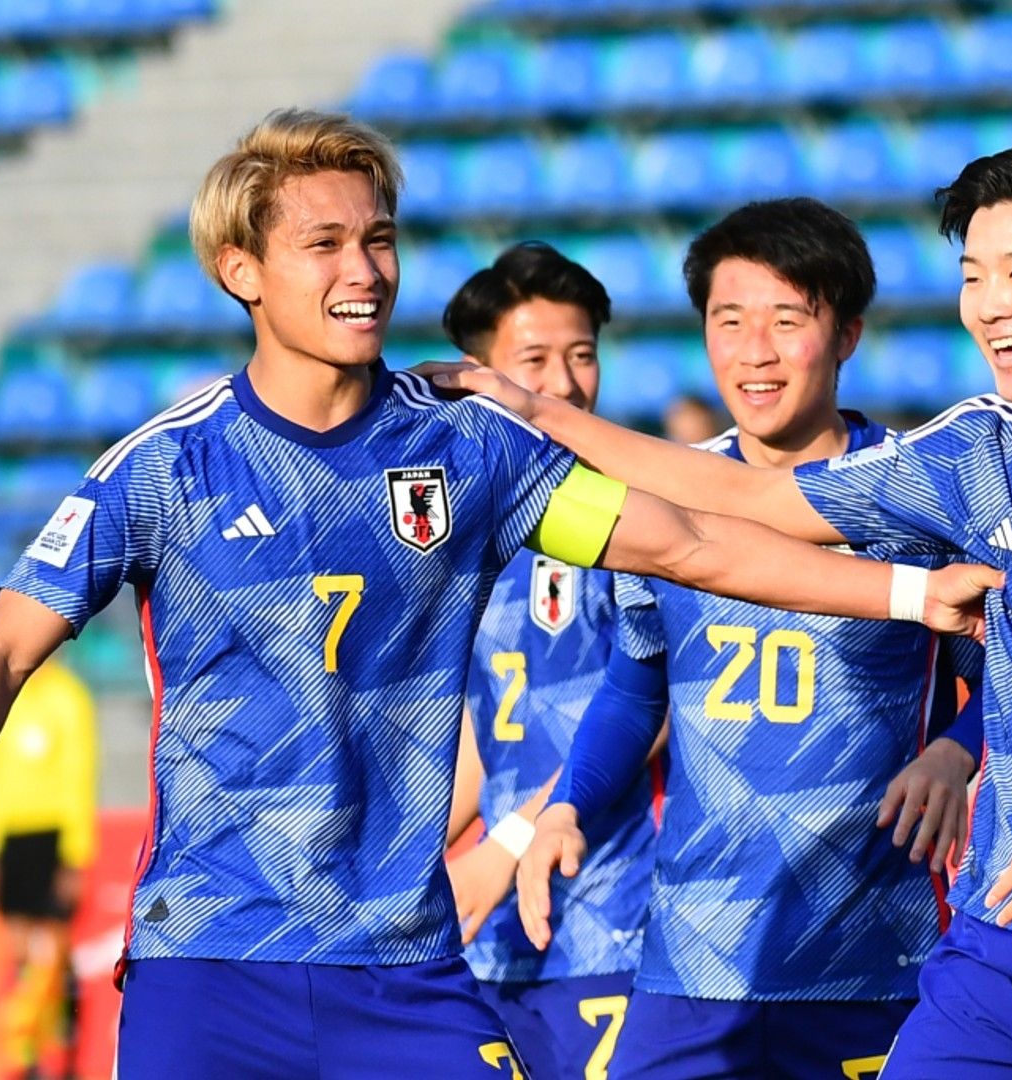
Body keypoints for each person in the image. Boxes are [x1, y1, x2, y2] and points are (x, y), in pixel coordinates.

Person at [0, 108, 998, 1079]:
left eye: (378, 239)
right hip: (214, 963)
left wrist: (906, 595)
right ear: (241, 269)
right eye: (323, 245)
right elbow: (2, 648)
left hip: (406, 969)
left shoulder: (467, 455)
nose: (366, 271)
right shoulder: (166, 465)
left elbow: (694, 546)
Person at [429, 143, 1012, 1078]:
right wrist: (545, 416)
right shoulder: (974, 447)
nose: (991, 305)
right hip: (997, 942)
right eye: (975, 276)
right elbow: (755, 500)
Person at [518, 198, 986, 1079]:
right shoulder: (664, 501)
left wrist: (957, 753)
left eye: (786, 320)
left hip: (875, 953)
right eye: (729, 322)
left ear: (846, 335)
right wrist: (568, 803)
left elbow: (1007, 687)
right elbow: (634, 684)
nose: (754, 352)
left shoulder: (917, 497)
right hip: (696, 956)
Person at [439, 241, 660, 1080]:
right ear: (476, 372)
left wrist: (512, 839)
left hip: (607, 924)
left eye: (582, 356)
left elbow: (653, 699)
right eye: (535, 361)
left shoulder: (629, 521)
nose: (566, 384)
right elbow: (488, 731)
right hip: (488, 939)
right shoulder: (466, 526)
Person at [0, 655, 96, 1080]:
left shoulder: (69, 697)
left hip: (52, 836)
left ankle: (65, 1051)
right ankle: (27, 1056)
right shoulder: (9, 698)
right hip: (14, 839)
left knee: (53, 952)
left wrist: (74, 856)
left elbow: (78, 777)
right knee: (19, 951)